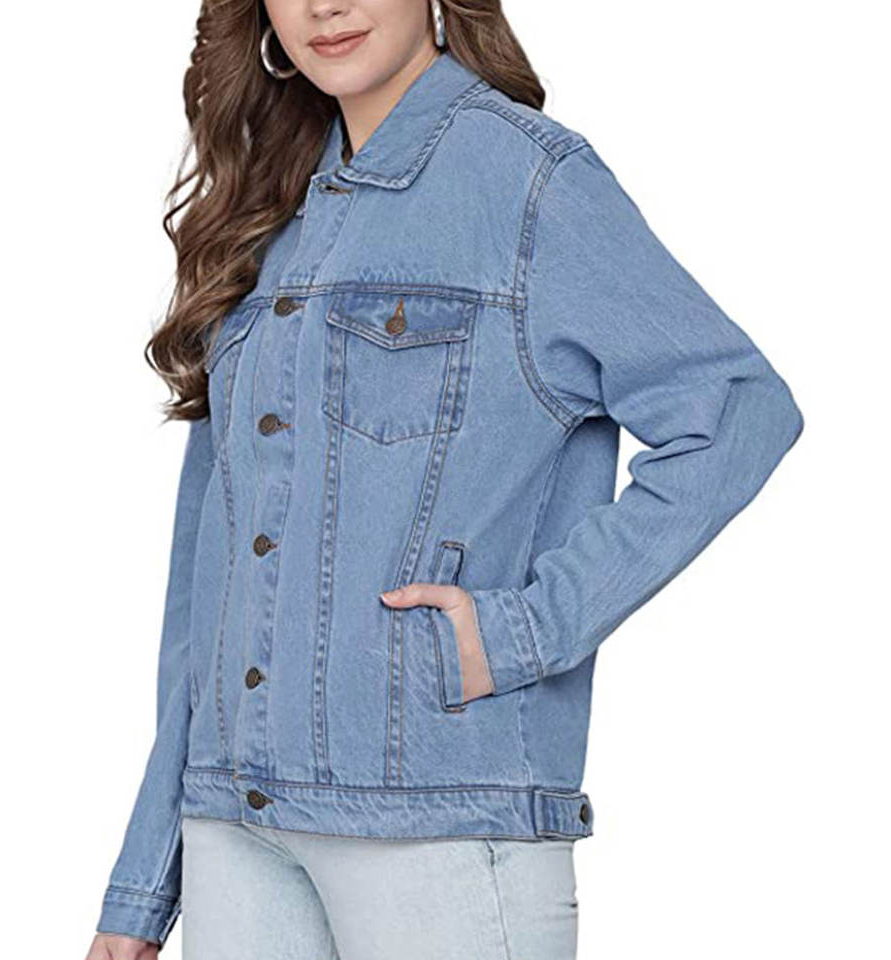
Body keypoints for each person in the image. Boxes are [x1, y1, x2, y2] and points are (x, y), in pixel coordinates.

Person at [84, 1, 804, 958]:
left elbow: (738, 410)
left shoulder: (529, 180)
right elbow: (207, 567)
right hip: (233, 827)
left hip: (441, 822)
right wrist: (144, 880)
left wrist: (522, 631)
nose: (324, 6)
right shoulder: (270, 206)